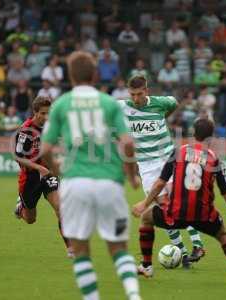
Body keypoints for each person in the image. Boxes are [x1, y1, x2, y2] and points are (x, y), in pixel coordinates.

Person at [41, 51, 142, 300]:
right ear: (95, 74)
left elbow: (45, 149)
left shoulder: (62, 104)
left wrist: (59, 172)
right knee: (119, 248)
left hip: (75, 184)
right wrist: (131, 175)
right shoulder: (108, 103)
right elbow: (128, 144)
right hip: (110, 184)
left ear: (71, 76)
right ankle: (133, 295)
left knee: (81, 250)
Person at [133, 118, 226, 285]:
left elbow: (161, 182)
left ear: (193, 134)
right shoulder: (216, 160)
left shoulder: (178, 153)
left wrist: (144, 203)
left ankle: (147, 265)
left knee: (146, 218)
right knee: (224, 235)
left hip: (175, 213)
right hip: (204, 215)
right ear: (211, 137)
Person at [119, 75, 206, 276]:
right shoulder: (122, 107)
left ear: (146, 91)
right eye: (132, 94)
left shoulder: (161, 103)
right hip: (147, 166)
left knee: (181, 202)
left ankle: (197, 244)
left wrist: (163, 117)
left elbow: (174, 103)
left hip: (169, 160)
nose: (136, 98)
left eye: (140, 94)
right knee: (163, 210)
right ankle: (184, 253)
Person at [13, 96, 71, 257]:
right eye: (43, 114)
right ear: (35, 112)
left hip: (47, 173)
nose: (46, 117)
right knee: (30, 219)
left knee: (61, 208)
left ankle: (70, 248)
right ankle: (21, 206)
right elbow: (18, 157)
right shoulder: (26, 131)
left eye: (49, 113)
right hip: (30, 178)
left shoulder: (50, 127)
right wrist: (38, 167)